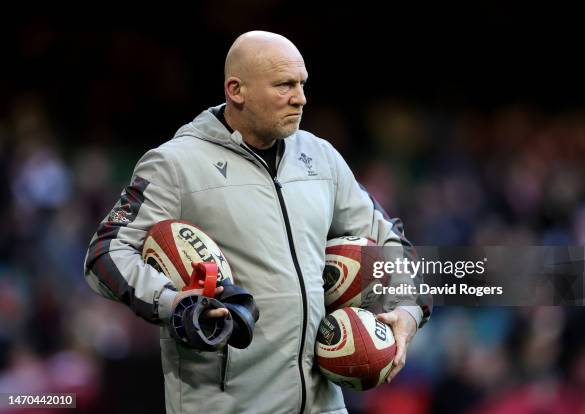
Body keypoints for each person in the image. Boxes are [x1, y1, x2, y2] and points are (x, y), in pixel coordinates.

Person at [84, 31, 431, 414]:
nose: (300, 97)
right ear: (236, 90)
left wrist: (407, 311)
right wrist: (173, 302)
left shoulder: (322, 158)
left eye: (301, 84)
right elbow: (106, 252)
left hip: (323, 406)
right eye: (284, 85)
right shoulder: (175, 164)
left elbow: (390, 241)